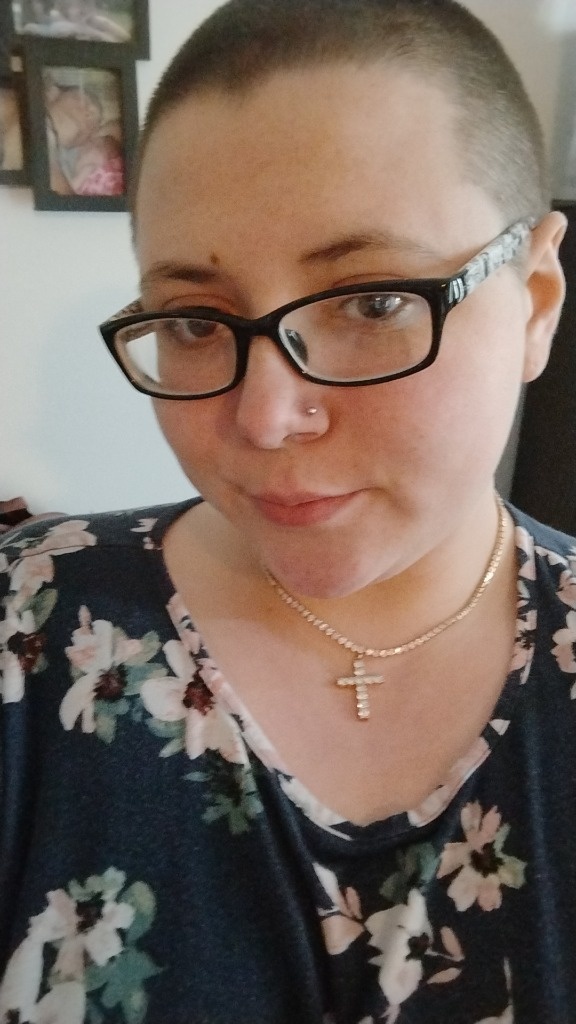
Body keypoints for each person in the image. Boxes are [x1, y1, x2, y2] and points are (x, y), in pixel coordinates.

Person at [0, 0, 572, 1020]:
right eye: (193, 319)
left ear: (534, 301)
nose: (264, 418)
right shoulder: (27, 624)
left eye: (373, 302)